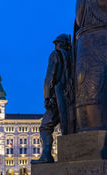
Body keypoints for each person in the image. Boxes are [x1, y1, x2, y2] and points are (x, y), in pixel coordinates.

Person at [31, 34, 72, 164]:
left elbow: (50, 77)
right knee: (67, 127)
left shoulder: (55, 55)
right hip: (70, 98)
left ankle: (47, 155)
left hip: (57, 97)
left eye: (56, 43)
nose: (55, 46)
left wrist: (47, 97)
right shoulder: (72, 57)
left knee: (45, 126)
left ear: (58, 44)